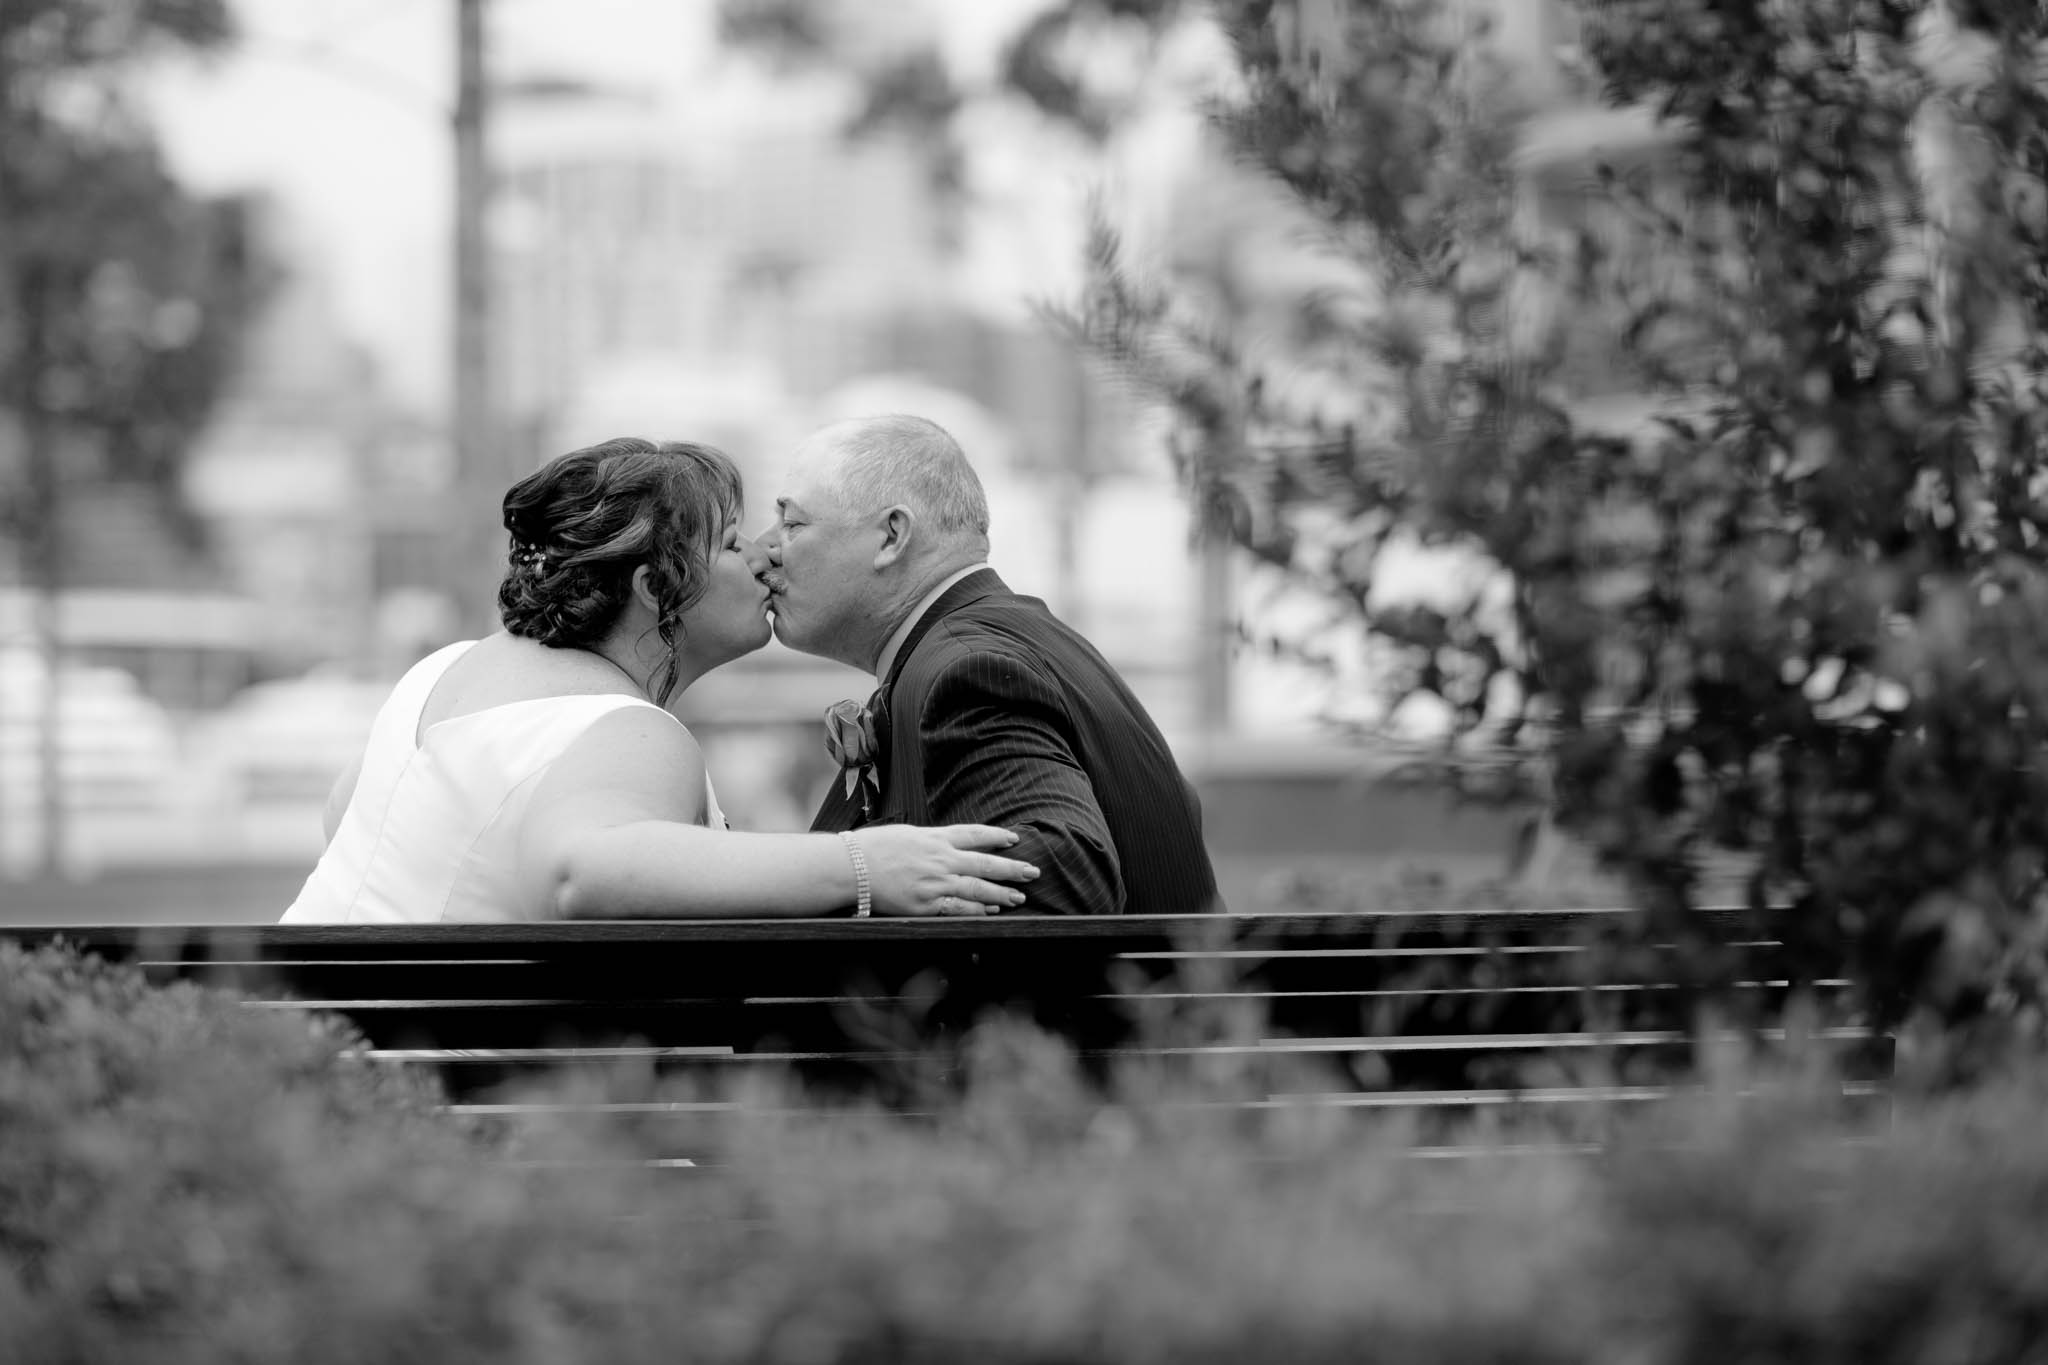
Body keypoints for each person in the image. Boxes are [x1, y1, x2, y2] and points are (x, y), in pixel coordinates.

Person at [281, 436, 1037, 923]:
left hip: (307, 1045)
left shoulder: (443, 669)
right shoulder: (624, 726)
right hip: (437, 1088)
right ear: (655, 587)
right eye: (732, 544)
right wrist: (868, 865)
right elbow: (585, 871)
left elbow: (346, 809)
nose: (766, 557)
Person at [759, 414, 1221, 916]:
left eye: (792, 523)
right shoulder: (1003, 642)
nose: (766, 550)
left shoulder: (966, 672)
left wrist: (870, 881)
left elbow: (1064, 879)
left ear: (892, 536)